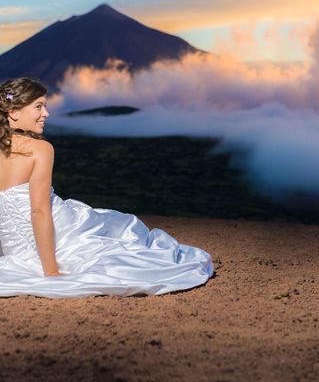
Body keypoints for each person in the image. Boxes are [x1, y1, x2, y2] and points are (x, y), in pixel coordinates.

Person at [0, 77, 214, 298]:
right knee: (125, 231)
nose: (46, 113)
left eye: (45, 106)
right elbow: (39, 211)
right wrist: (51, 271)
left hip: (15, 248)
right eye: (38, 106)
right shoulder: (40, 149)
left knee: (113, 224)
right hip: (58, 234)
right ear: (13, 112)